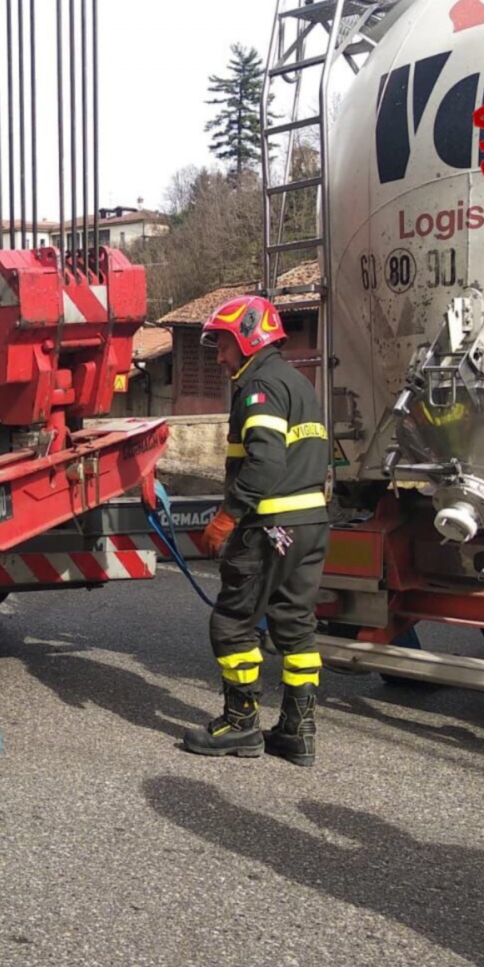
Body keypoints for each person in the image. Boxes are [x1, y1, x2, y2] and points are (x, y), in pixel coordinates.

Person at [182, 293, 331, 766]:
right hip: (309, 523)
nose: (220, 357)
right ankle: (297, 732)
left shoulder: (259, 386)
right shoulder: (297, 383)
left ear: (249, 337)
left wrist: (227, 517)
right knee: (296, 625)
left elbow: (265, 462)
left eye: (224, 344)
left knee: (232, 623)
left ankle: (241, 725)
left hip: (269, 524)